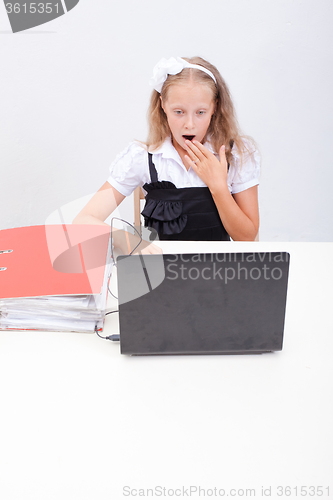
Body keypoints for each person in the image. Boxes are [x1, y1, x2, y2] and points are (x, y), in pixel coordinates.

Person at [73, 56, 260, 251]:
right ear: (163, 105)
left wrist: (218, 187)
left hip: (219, 274)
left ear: (215, 106)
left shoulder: (235, 153)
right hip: (162, 273)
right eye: (179, 112)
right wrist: (131, 243)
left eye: (200, 112)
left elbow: (247, 238)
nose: (190, 124)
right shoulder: (143, 158)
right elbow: (83, 221)